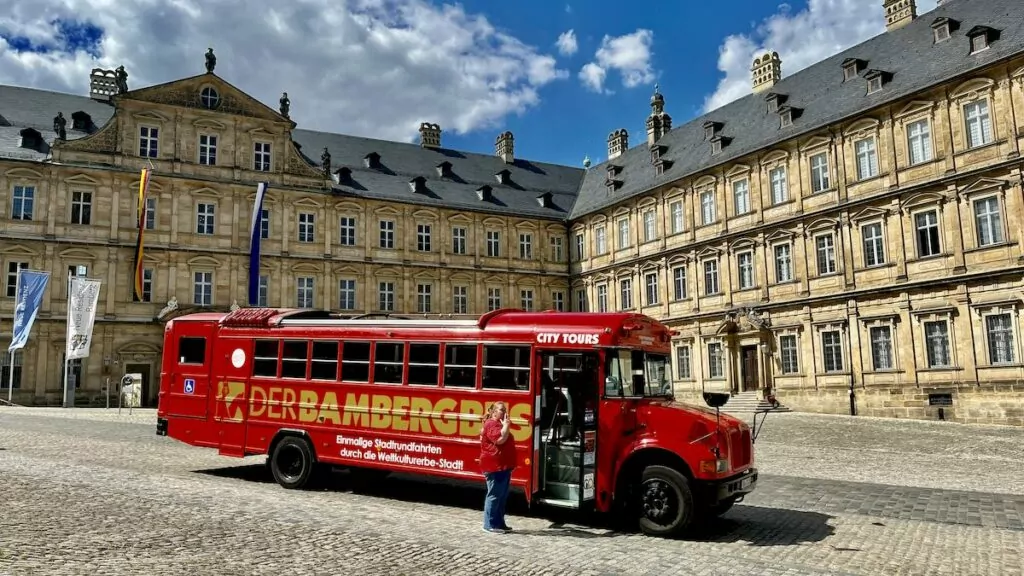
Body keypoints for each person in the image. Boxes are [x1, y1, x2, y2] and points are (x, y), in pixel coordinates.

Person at [479, 401, 517, 533]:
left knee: (502, 496)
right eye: (501, 409)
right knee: (494, 495)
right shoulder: (490, 424)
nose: (504, 412)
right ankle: (489, 524)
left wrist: (505, 426)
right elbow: (500, 440)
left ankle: (499, 523)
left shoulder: (498, 424)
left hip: (503, 466)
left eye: (505, 409)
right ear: (494, 412)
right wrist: (506, 426)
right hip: (494, 466)